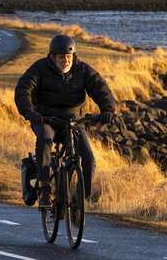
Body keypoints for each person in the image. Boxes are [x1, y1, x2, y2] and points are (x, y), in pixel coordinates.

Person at [14, 35, 116, 208]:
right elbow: (23, 89)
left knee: (88, 159)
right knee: (45, 140)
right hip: (45, 118)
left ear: (73, 56)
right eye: (62, 57)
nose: (65, 61)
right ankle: (45, 190)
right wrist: (29, 112)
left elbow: (100, 88)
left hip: (72, 121)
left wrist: (108, 110)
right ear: (53, 56)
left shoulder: (82, 70)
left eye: (68, 57)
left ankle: (81, 200)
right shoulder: (40, 68)